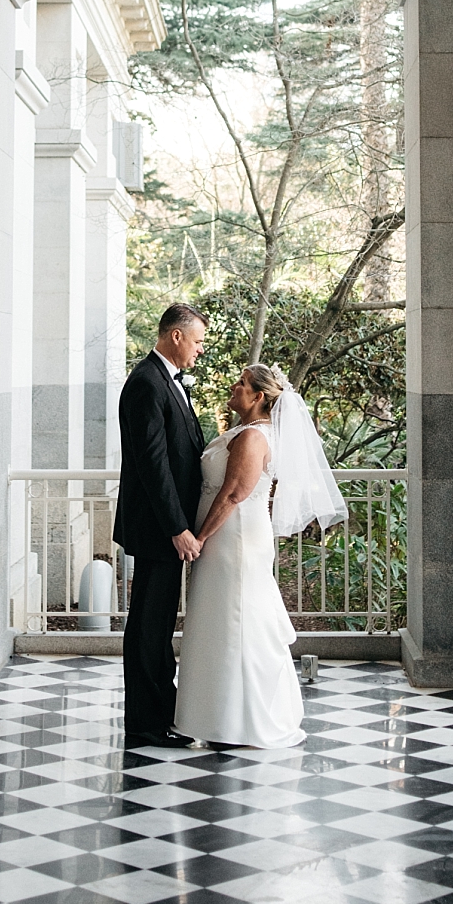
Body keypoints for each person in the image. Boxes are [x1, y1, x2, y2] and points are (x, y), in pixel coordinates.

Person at [175, 362, 348, 750]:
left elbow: (234, 494)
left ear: (258, 397)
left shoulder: (254, 437)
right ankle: (216, 717)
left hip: (233, 539)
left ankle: (244, 722)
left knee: (238, 622)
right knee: (218, 623)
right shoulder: (241, 430)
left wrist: (199, 537)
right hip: (224, 538)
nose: (234, 387)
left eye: (242, 384)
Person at [114, 303, 207, 747]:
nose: (199, 350)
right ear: (175, 337)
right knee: (149, 626)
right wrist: (177, 527)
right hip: (157, 530)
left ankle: (158, 713)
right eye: (197, 341)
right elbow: (153, 466)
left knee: (157, 624)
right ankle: (146, 724)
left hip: (165, 529)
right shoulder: (146, 383)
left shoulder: (165, 380)